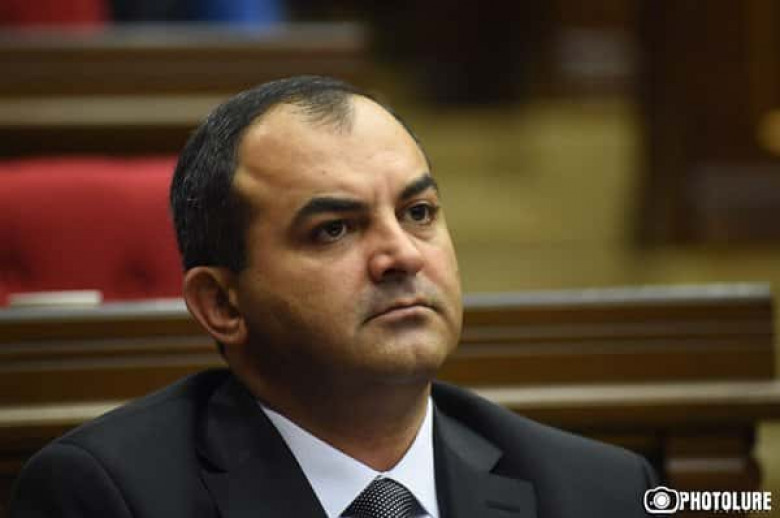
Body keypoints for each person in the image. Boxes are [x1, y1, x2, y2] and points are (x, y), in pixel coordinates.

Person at [10, 76, 656, 517]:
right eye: (334, 229)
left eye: (419, 213)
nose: (402, 255)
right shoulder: (107, 497)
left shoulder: (603, 493)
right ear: (222, 305)